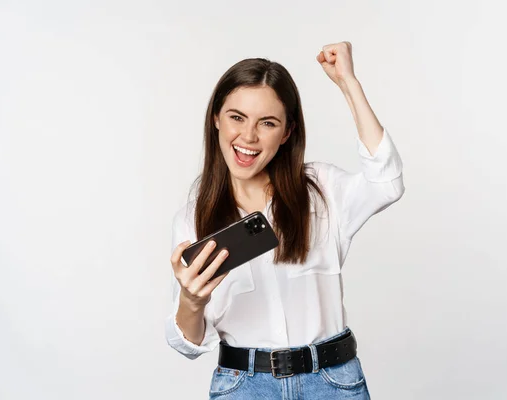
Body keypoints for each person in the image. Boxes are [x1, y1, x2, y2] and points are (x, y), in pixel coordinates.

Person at [166, 41, 405, 399]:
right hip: (244, 387)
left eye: (267, 123)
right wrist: (192, 300)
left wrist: (348, 84)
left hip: (332, 383)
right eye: (236, 117)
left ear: (287, 132)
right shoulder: (192, 220)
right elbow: (187, 343)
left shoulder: (323, 190)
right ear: (216, 118)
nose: (248, 137)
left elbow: (386, 183)